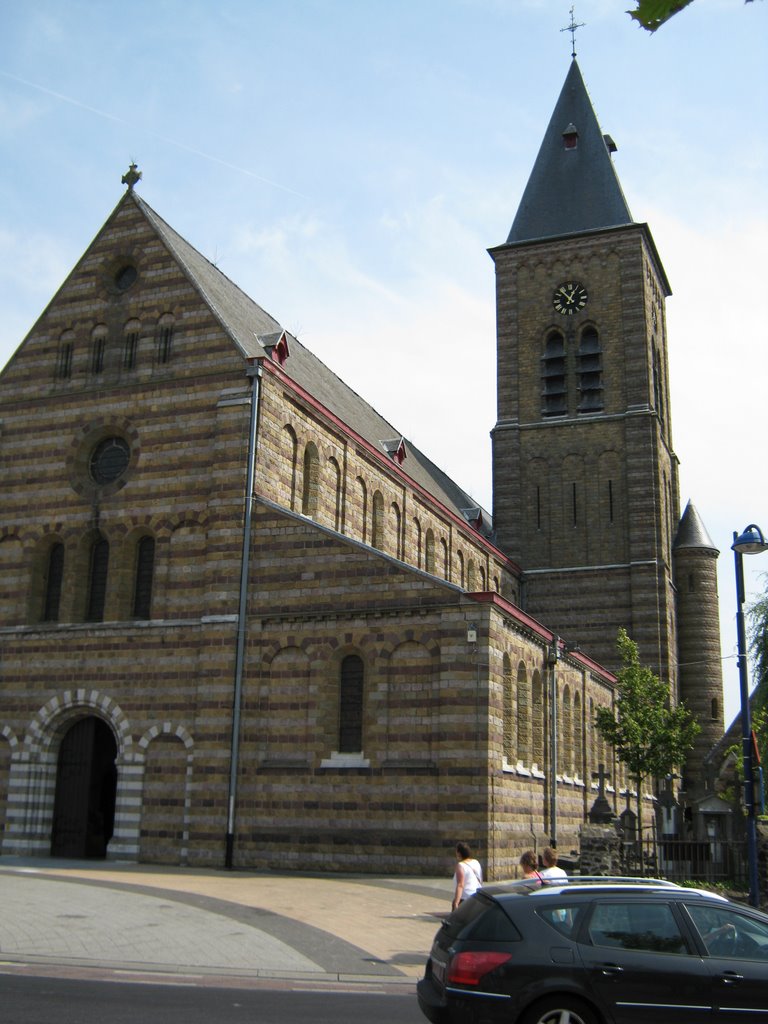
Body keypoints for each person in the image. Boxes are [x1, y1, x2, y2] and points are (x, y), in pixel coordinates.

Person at [452, 842, 483, 910]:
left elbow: (460, 885)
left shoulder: (461, 865)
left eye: (456, 851)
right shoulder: (476, 862)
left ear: (459, 853)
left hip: (464, 899)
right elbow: (480, 880)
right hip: (477, 897)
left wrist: (456, 902)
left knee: (456, 920)